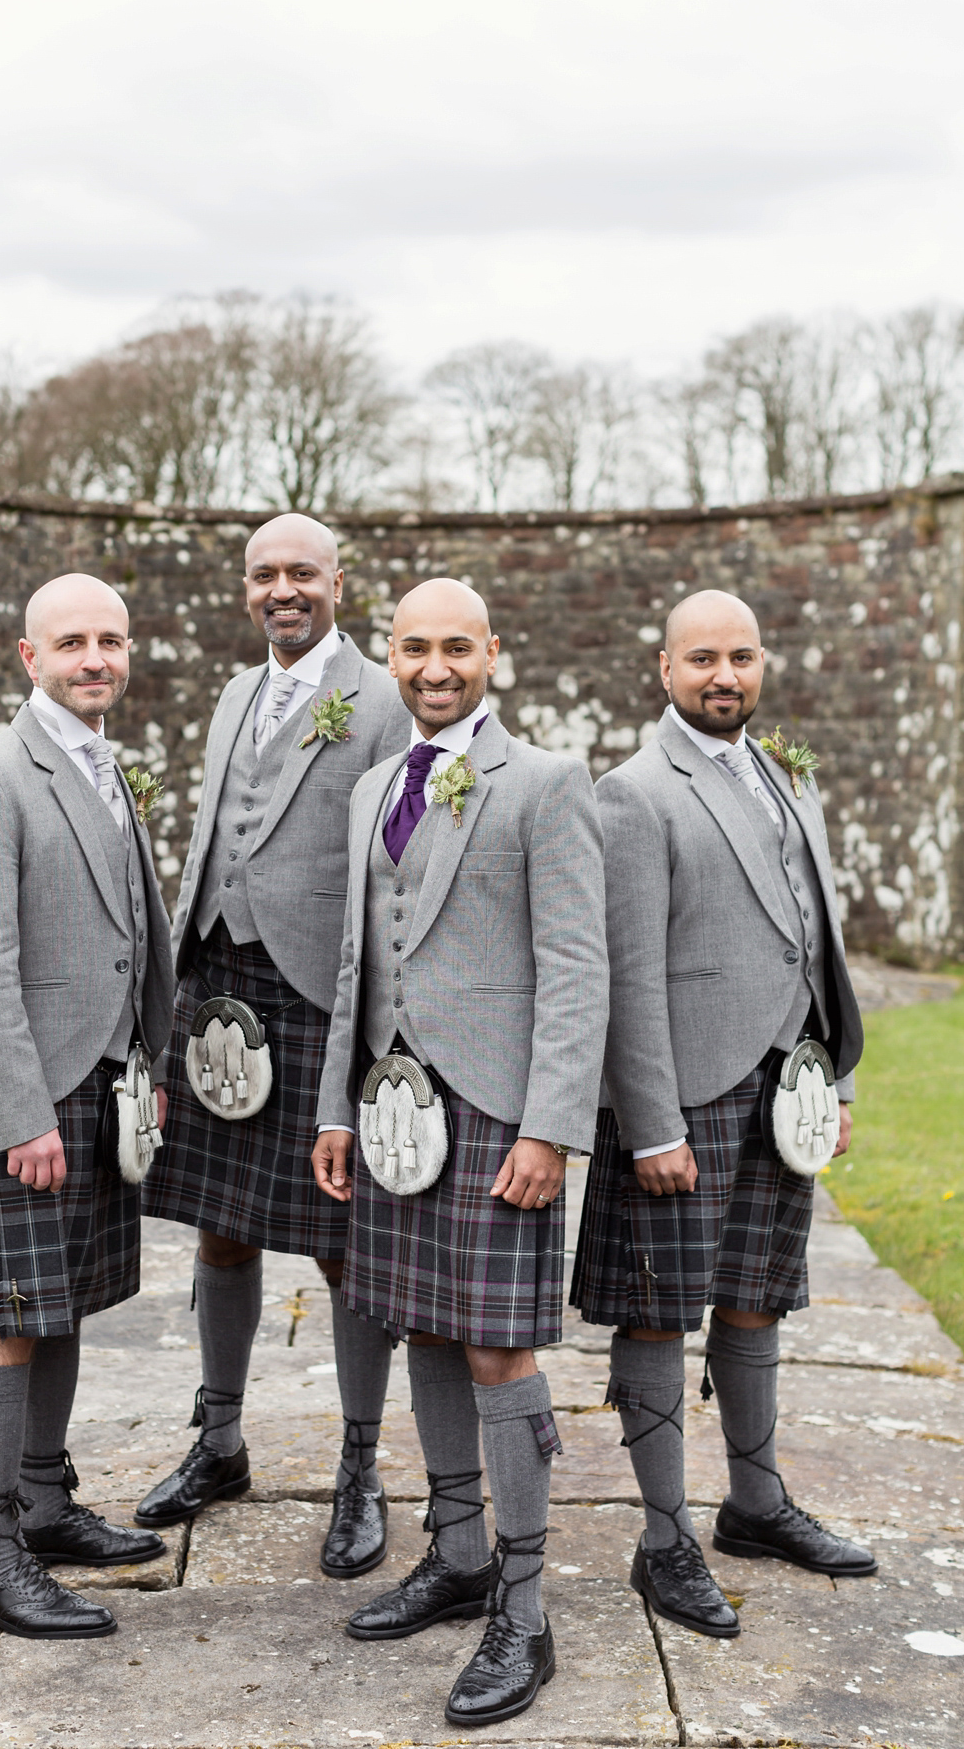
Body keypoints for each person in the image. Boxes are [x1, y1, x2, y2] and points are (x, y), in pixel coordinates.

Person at [311, 578, 608, 1729]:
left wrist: (549, 1128)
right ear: (390, 655)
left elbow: (580, 970)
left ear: (494, 652)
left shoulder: (546, 783)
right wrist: (337, 1107)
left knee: (498, 1352)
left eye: (457, 648)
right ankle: (457, 1552)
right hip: (392, 1117)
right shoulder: (373, 785)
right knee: (420, 1323)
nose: (436, 667)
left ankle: (524, 1613)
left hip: (495, 1116)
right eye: (414, 648)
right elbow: (357, 964)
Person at [570, 588, 876, 1643]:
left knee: (758, 1298)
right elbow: (624, 975)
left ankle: (755, 1504)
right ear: (664, 668)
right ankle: (663, 1541)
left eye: (740, 657)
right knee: (659, 1311)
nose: (724, 677)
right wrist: (649, 1122)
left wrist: (831, 1081)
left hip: (780, 1088)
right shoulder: (631, 794)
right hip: (682, 1095)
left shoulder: (788, 777)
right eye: (702, 659)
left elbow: (817, 942)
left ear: (762, 662)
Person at [135, 514, 411, 1579]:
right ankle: (221, 1439)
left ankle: (358, 1468)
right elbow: (217, 839)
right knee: (218, 1229)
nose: (283, 590)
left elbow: (400, 870)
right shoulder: (235, 694)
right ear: (245, 588)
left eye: (302, 572)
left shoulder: (386, 700)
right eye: (265, 575)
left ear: (339, 581)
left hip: (319, 997)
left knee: (346, 1246)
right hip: (217, 986)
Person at [0, 572, 175, 1640]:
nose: (94, 658)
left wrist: (149, 1055)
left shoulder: (101, 762)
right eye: (71, 641)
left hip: (99, 1078)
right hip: (22, 1098)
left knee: (61, 1303)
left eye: (110, 640)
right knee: (5, 1324)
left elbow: (131, 928)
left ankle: (41, 1503)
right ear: (29, 657)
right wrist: (21, 1115)